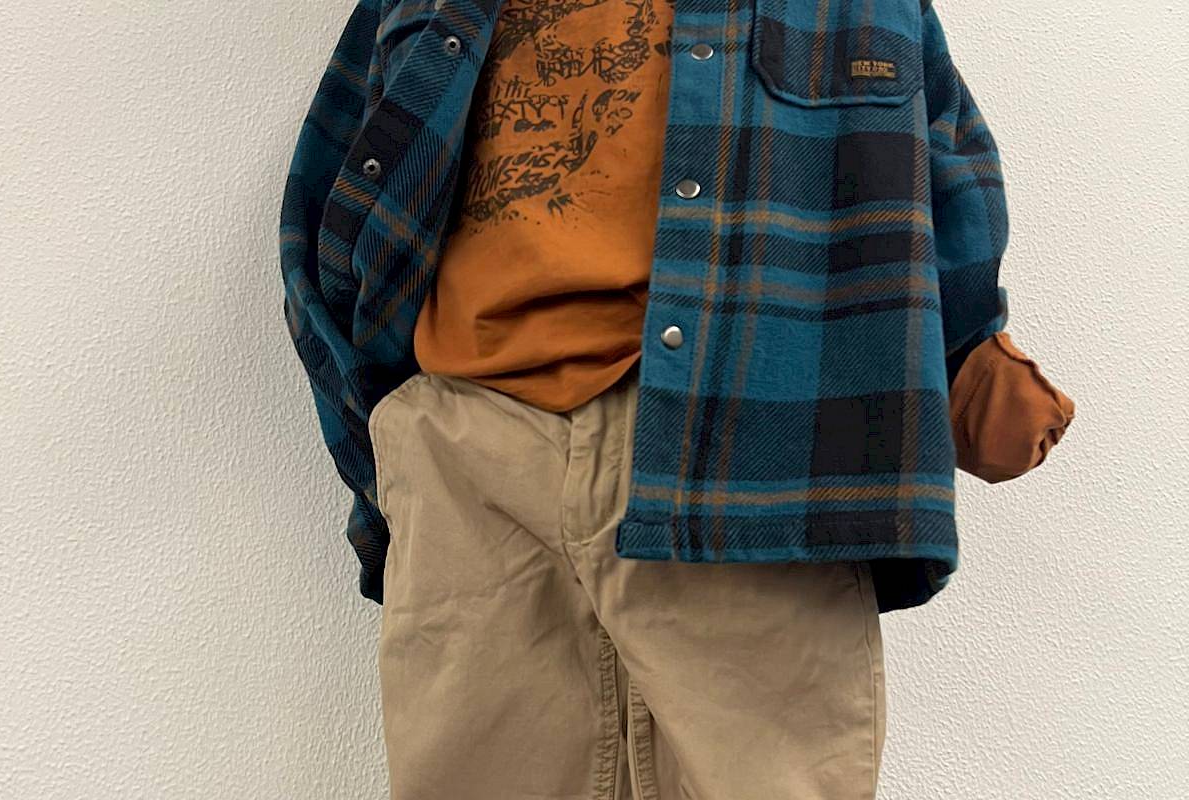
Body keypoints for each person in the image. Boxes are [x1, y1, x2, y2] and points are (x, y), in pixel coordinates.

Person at [278, 0, 1074, 796]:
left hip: (752, 467)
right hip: (471, 465)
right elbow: (334, 213)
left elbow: (939, 168)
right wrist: (392, 451)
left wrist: (970, 363)